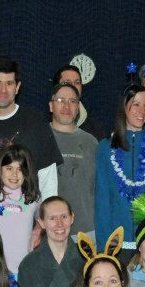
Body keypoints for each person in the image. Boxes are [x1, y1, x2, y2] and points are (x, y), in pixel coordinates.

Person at [95, 83, 145, 263]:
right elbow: (102, 200)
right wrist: (104, 247)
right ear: (124, 106)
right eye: (136, 104)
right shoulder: (105, 148)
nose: (142, 111)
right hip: (116, 240)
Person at [0, 56, 62, 195]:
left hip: (27, 207)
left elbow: (48, 180)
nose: (3, 90)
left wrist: (48, 208)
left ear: (17, 87)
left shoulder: (37, 123)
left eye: (9, 83)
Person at [48, 82, 98, 241]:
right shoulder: (40, 138)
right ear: (51, 106)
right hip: (48, 231)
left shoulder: (91, 142)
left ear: (78, 108)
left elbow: (99, 190)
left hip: (85, 232)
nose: (66, 106)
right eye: (61, 100)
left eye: (72, 101)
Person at [0, 144, 42, 273]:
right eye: (9, 168)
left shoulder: (33, 199)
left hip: (24, 269)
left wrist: (38, 230)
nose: (14, 174)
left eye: (20, 169)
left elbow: (43, 220)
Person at [51, 64, 108, 141]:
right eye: (67, 82)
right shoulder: (44, 127)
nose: (73, 87)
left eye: (77, 83)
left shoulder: (95, 130)